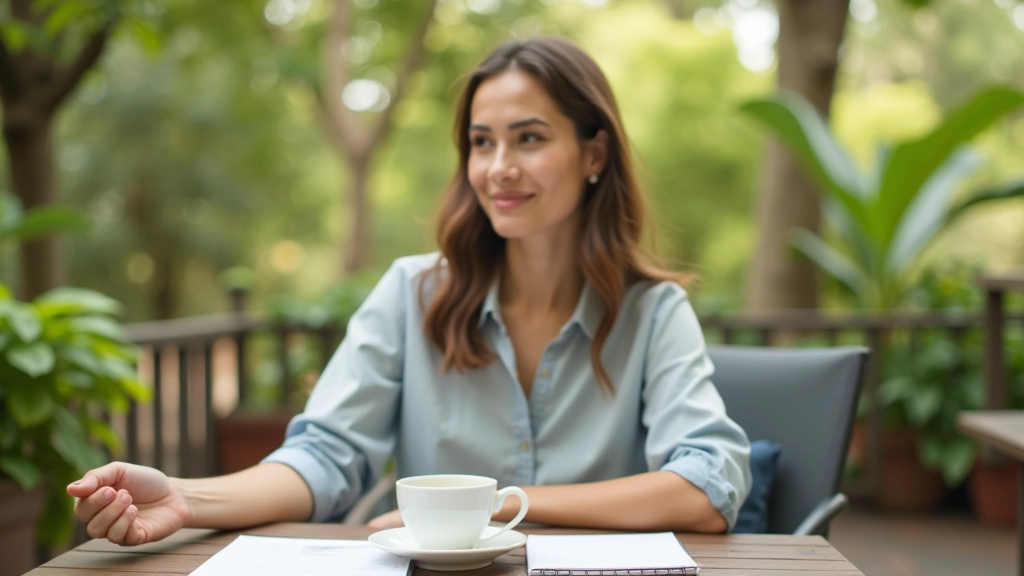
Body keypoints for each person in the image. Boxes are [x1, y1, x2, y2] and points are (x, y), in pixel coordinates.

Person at [67, 37, 751, 546]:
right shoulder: (410, 293)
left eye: (530, 138)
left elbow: (708, 489)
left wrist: (499, 504)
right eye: (482, 143)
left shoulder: (654, 312)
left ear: (595, 154)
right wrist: (184, 498)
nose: (500, 169)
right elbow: (324, 458)